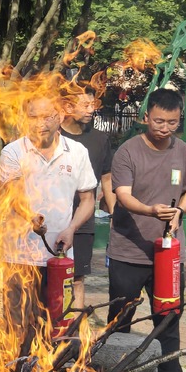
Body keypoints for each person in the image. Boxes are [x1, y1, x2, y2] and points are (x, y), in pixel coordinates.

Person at [107, 88, 186, 372]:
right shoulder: (128, 151)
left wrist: (179, 211)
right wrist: (150, 211)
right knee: (121, 318)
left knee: (168, 318)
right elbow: (123, 196)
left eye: (172, 122)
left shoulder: (183, 151)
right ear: (145, 116)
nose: (164, 127)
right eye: (158, 120)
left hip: (168, 255)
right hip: (128, 252)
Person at [0, 96, 96, 344]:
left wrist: (72, 228)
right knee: (18, 327)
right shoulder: (12, 152)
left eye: (47, 117)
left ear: (61, 117)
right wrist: (29, 216)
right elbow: (12, 194)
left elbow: (87, 199)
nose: (40, 124)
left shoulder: (77, 152)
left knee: (57, 325)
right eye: (33, 117)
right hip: (19, 256)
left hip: (60, 259)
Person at [60, 86, 115, 309]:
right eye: (85, 105)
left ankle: (75, 331)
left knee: (77, 278)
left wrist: (114, 214)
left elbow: (107, 179)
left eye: (93, 104)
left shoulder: (100, 139)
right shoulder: (53, 136)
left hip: (82, 221)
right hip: (52, 220)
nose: (91, 109)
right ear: (67, 106)